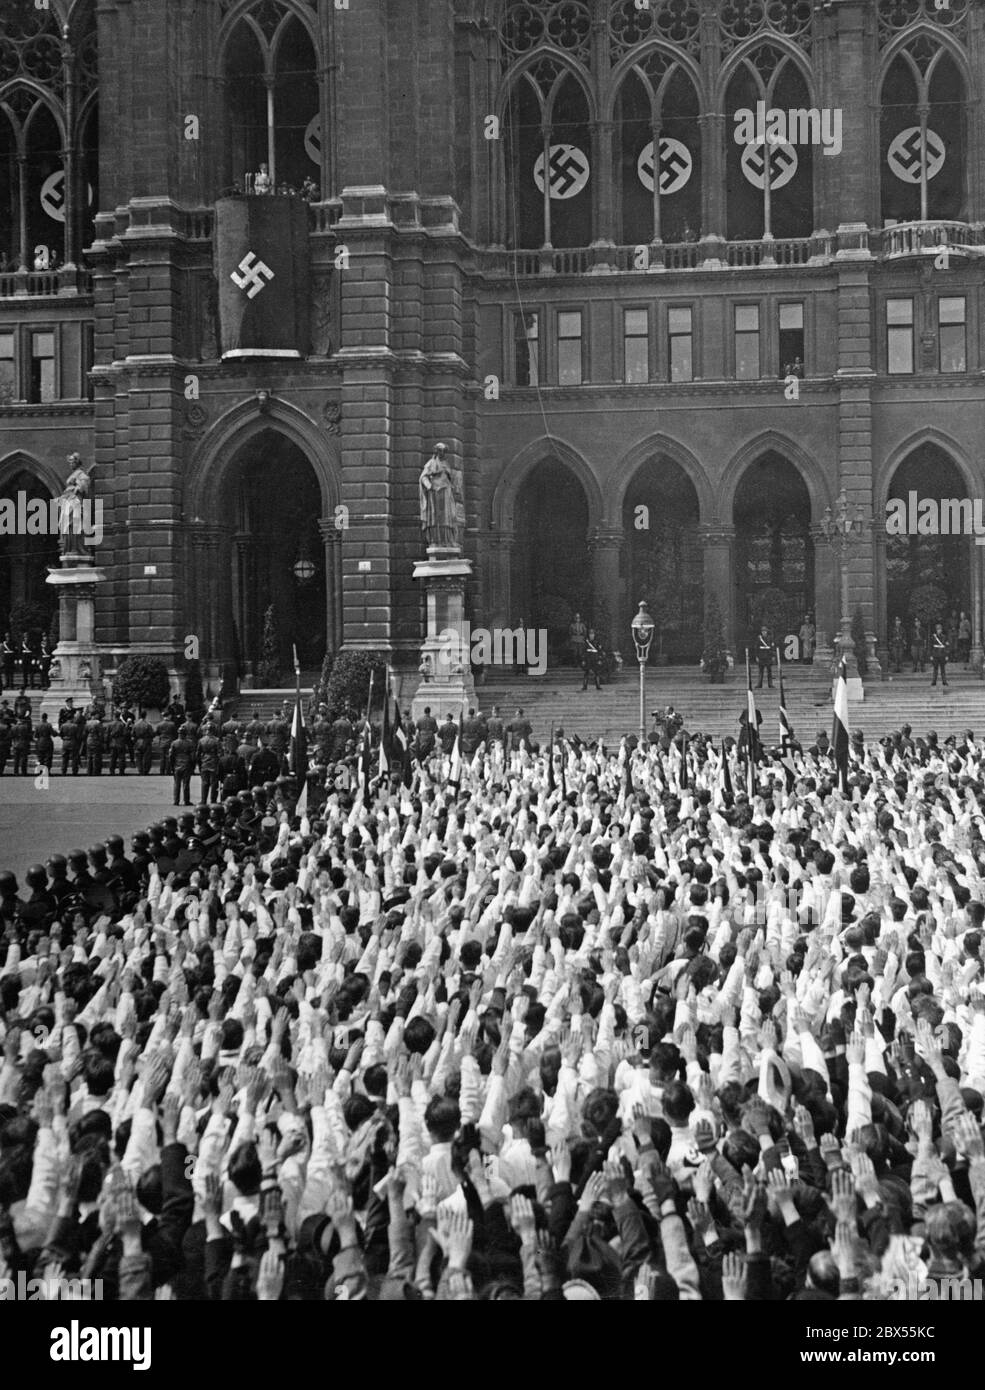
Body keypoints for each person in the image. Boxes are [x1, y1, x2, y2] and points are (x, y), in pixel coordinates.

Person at [170, 726, 195, 806]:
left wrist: (172, 765)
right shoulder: (190, 743)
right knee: (186, 784)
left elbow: (171, 755)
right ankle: (186, 800)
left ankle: (176, 800)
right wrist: (193, 766)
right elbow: (192, 756)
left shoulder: (174, 743)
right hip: (186, 764)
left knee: (177, 784)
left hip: (177, 764)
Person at [930, 621, 948, 688]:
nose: (939, 630)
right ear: (936, 630)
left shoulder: (944, 637)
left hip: (942, 654)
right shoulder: (933, 637)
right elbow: (931, 646)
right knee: (935, 669)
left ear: (941, 630)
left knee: (943, 669)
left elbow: (946, 646)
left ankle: (944, 681)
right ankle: (934, 681)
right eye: (938, 629)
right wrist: (931, 655)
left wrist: (946, 655)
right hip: (935, 654)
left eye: (940, 629)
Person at [755, 624, 773, 688]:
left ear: (767, 632)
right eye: (763, 631)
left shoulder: (770, 638)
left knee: (769, 672)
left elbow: (772, 647)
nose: (764, 632)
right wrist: (757, 656)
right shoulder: (759, 638)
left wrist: (772, 656)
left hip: (768, 656)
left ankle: (770, 684)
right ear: (761, 632)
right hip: (761, 657)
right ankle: (759, 684)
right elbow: (757, 647)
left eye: (765, 631)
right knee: (760, 672)